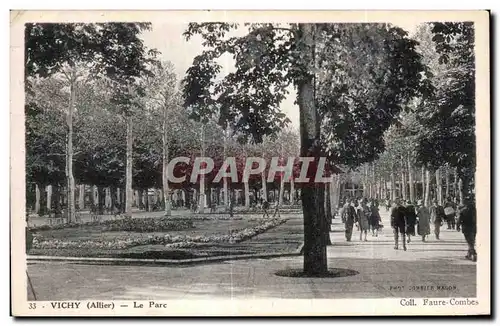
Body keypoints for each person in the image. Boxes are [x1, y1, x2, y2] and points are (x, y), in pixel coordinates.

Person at [458, 197, 476, 262]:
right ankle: (469, 254)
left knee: (469, 241)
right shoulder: (475, 210)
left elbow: (459, 219)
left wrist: (458, 226)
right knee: (472, 241)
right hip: (474, 228)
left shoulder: (463, 210)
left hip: (466, 228)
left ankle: (473, 254)